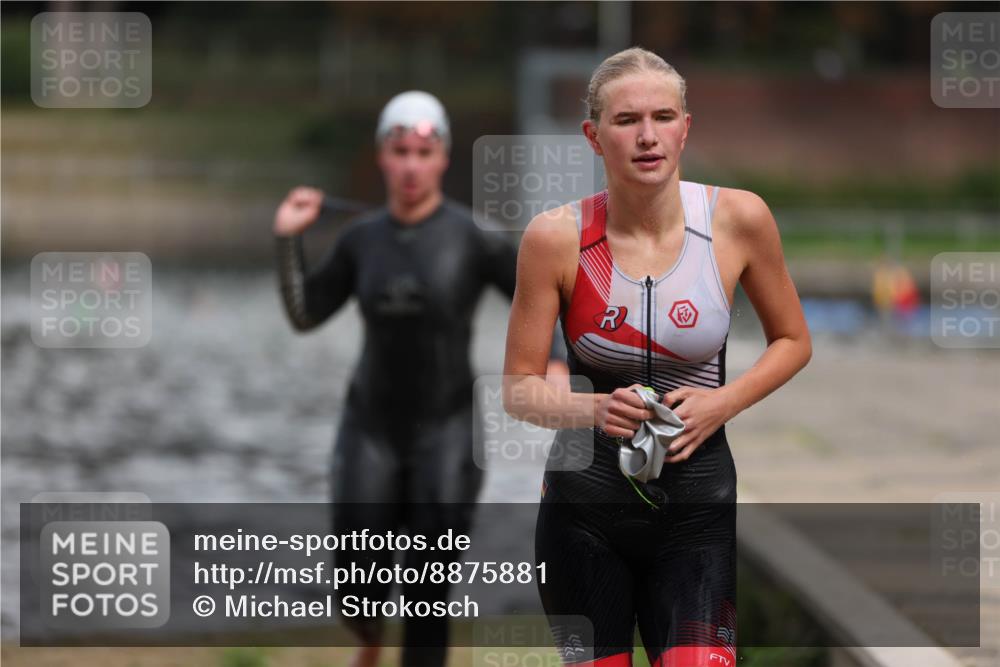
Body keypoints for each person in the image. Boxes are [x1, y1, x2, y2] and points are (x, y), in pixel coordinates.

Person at [502, 48, 812, 666]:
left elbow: (794, 341)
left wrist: (722, 403)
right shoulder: (555, 238)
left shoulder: (739, 220)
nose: (647, 136)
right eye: (626, 120)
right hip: (583, 513)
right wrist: (593, 410)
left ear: (685, 128)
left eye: (663, 116)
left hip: (696, 512)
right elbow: (517, 388)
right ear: (594, 136)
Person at [273, 90, 567, 667]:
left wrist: (554, 361)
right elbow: (305, 314)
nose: (411, 165)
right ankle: (369, 640)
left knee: (428, 596)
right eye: (400, 151)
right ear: (382, 156)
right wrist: (288, 239)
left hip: (447, 433)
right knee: (357, 584)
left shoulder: (474, 237)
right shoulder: (360, 240)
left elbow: (540, 299)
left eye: (424, 153)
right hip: (370, 430)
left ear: (443, 159)